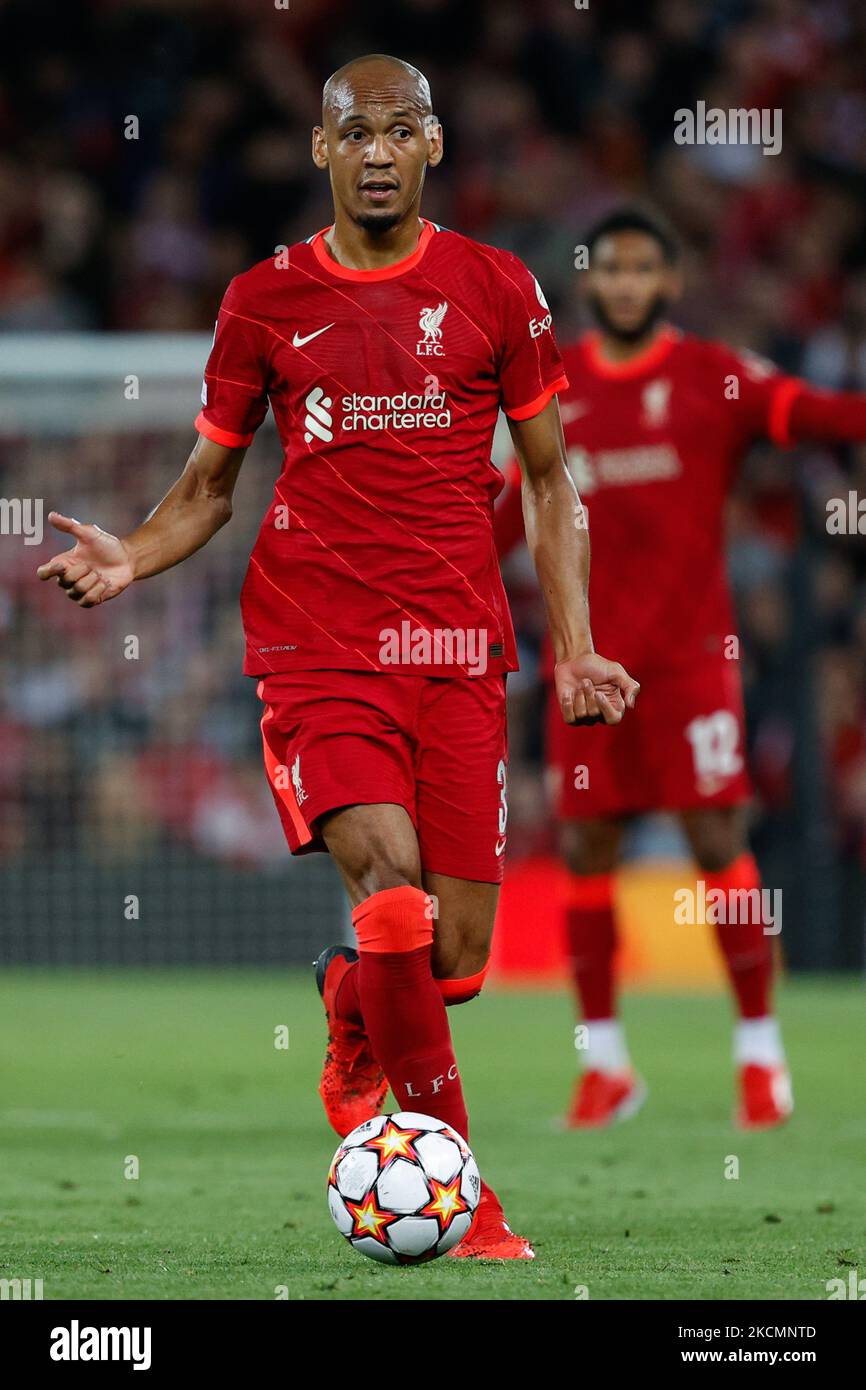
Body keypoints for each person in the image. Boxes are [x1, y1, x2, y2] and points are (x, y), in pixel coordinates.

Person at [37, 55, 638, 1258]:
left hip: (462, 649)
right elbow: (209, 488)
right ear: (320, 152)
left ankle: (348, 1001)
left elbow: (547, 478)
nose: (375, 150)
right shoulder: (262, 299)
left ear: (431, 148)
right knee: (393, 890)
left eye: (399, 129)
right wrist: (133, 559)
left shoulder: (496, 288)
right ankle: (469, 1208)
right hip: (316, 645)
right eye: (352, 131)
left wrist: (572, 648)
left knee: (452, 958)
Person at [495, 206, 866, 1130]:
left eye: (642, 269)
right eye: (610, 268)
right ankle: (607, 1065)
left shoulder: (715, 379)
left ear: (670, 283)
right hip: (586, 667)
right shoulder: (555, 387)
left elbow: (820, 417)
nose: (625, 284)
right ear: (590, 282)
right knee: (585, 853)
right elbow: (506, 513)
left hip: (694, 664)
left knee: (717, 847)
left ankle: (759, 1057)